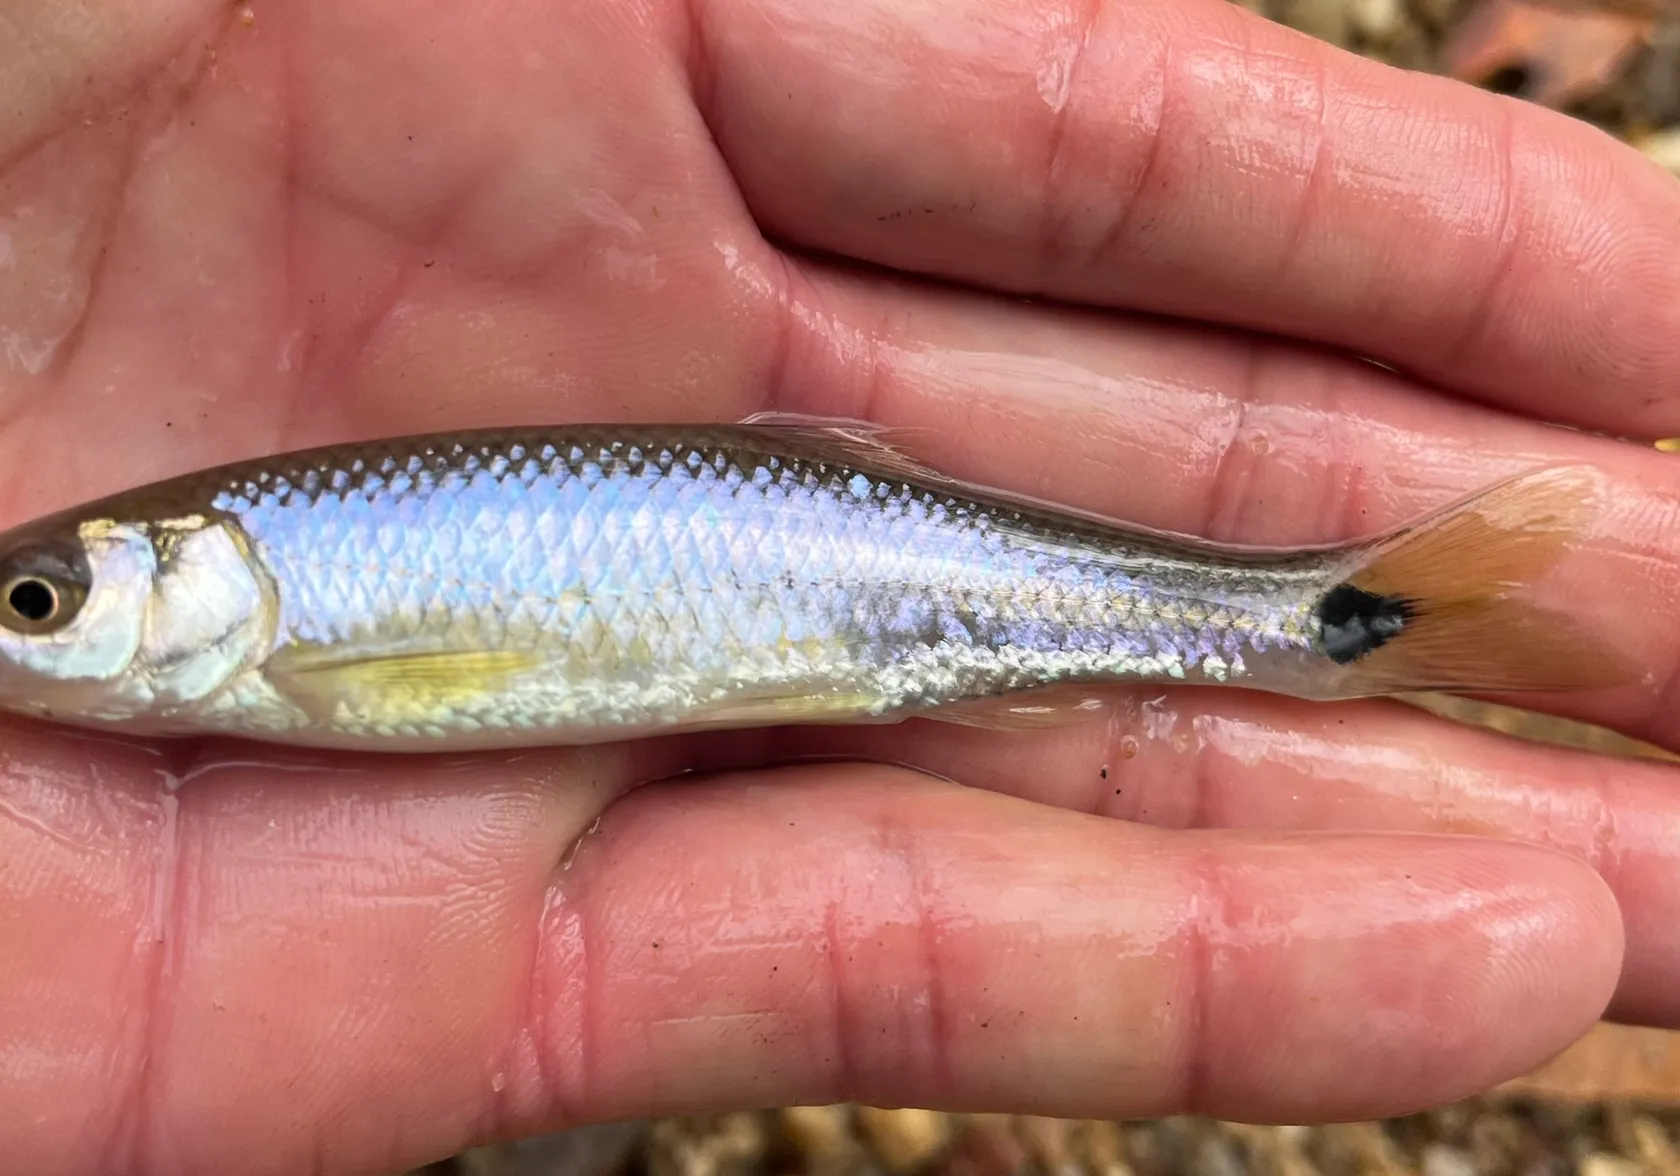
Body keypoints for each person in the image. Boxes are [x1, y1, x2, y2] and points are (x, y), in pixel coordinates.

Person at [4, 0, 1679, 1171]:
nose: (34, 634)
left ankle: (1321, 621)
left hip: (826, 563)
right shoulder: (269, 586)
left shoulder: (289, 604)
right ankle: (1316, 622)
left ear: (188, 572)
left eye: (40, 607)